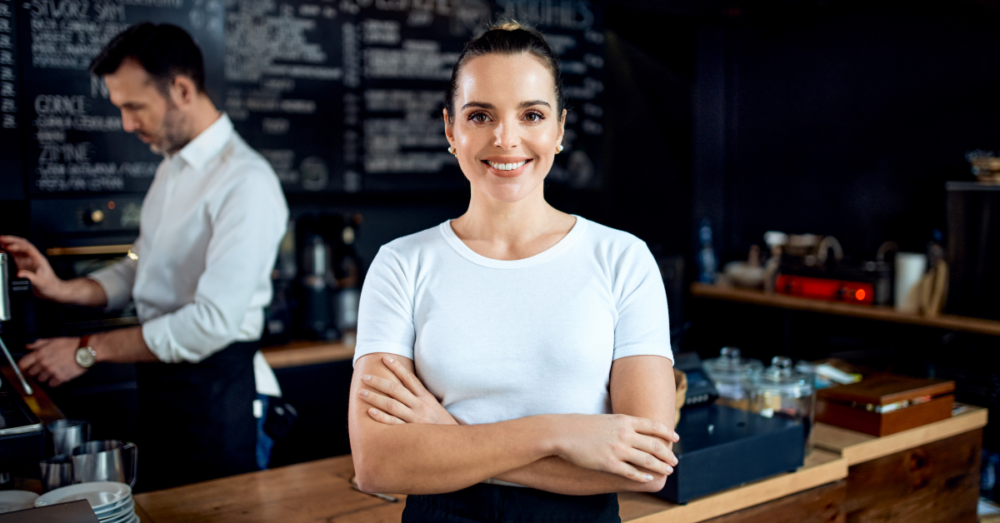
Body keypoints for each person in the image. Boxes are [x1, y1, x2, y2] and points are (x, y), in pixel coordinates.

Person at [348, 22, 677, 523]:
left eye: (532, 115)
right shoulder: (401, 264)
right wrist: (558, 433)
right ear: (451, 130)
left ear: (559, 129)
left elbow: (647, 467)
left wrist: (449, 436)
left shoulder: (623, 259)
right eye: (480, 115)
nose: (505, 138)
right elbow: (378, 464)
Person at [0, 23, 288, 490]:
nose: (127, 124)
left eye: (134, 106)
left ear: (181, 90)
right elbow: (142, 265)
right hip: (162, 389)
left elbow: (211, 322)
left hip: (215, 399)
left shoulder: (246, 182)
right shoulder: (173, 169)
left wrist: (87, 351)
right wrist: (63, 289)